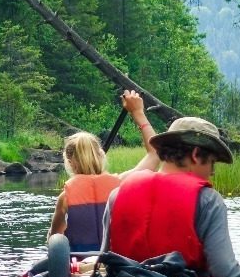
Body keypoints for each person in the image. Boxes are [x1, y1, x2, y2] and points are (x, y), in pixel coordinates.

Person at [100, 116, 240, 277]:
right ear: (196, 154)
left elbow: (105, 261)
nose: (212, 171)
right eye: (212, 162)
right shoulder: (208, 200)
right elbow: (225, 274)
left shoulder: (117, 195)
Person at [47, 89, 159, 252]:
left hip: (79, 262)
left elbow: (54, 242)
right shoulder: (120, 184)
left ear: (70, 162)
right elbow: (155, 154)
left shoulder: (65, 198)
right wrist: (138, 113)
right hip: (114, 263)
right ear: (100, 155)